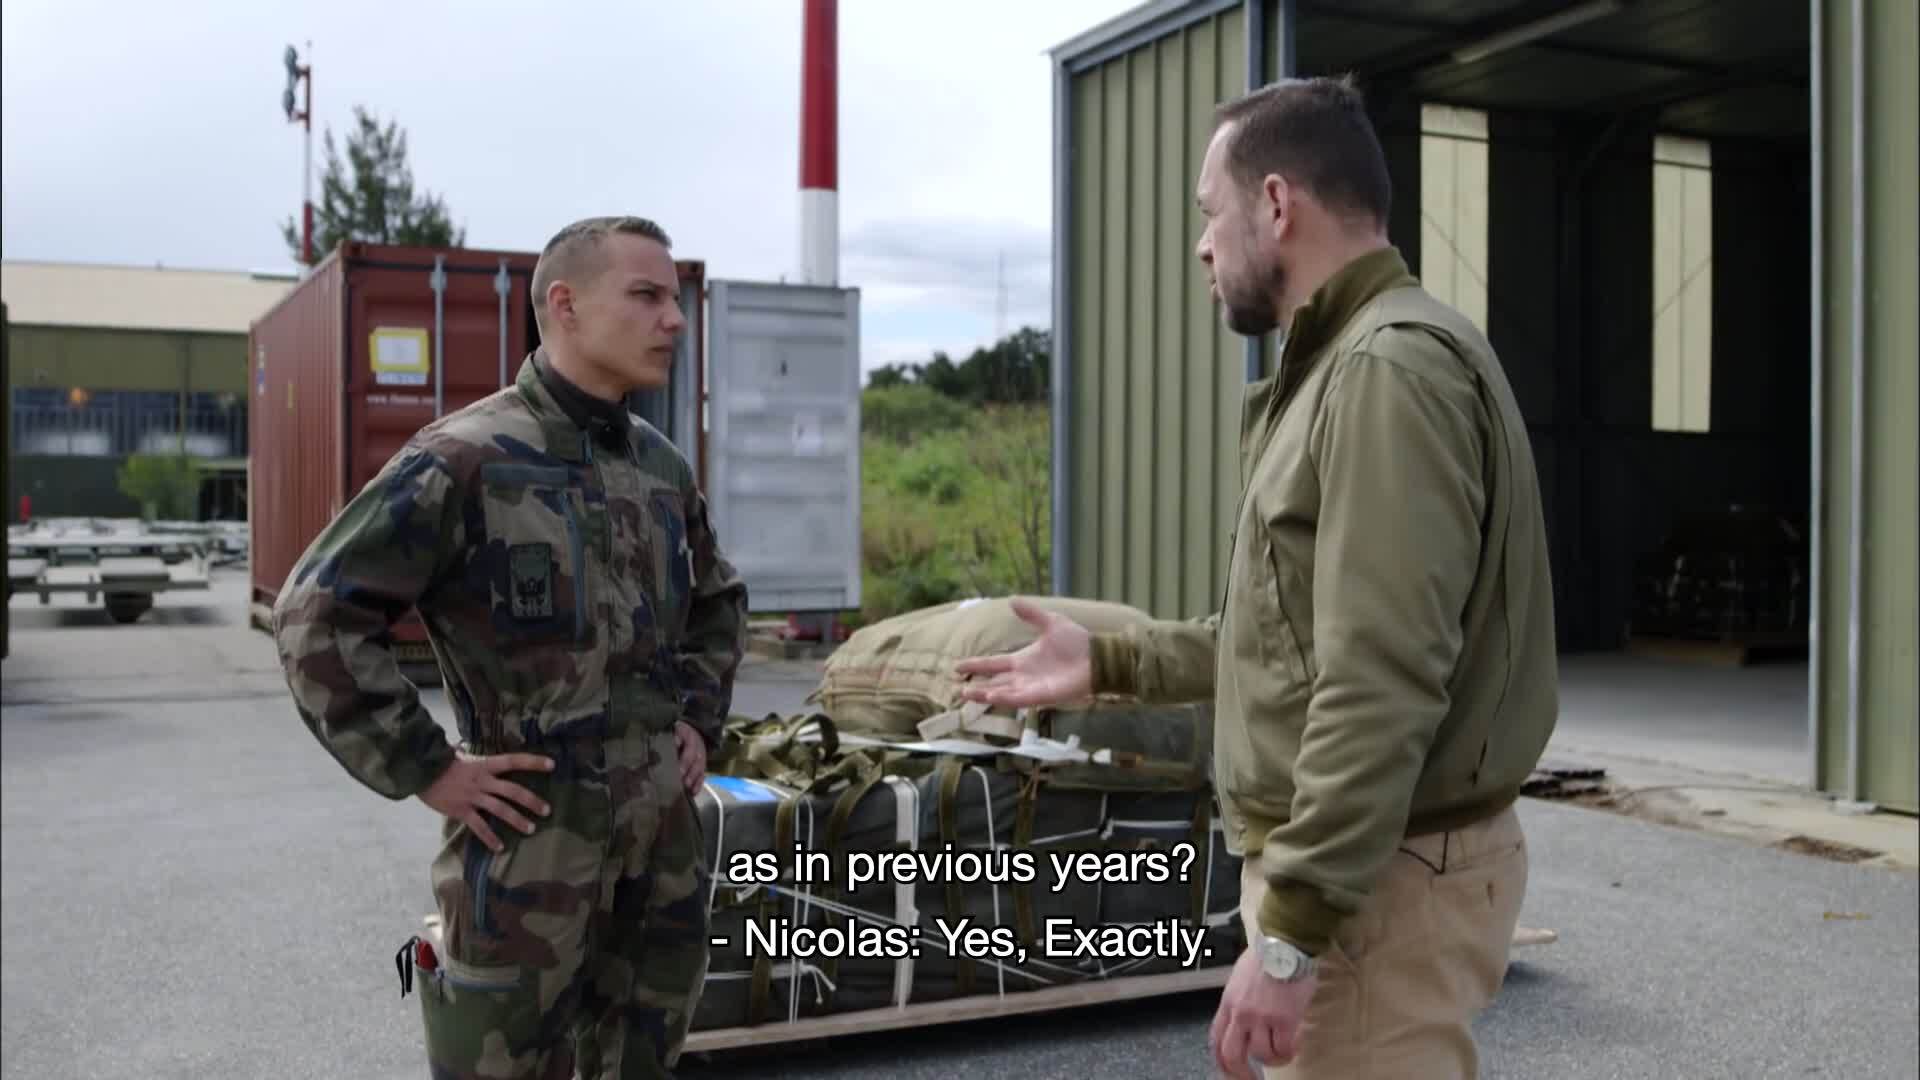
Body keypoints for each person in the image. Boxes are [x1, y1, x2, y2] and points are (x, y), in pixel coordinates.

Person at [956, 76, 1557, 1079]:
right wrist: (1110, 661)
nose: (1203, 245)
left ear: (1276, 204)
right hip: (1374, 874)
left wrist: (1292, 933)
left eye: (1210, 212)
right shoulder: (1355, 364)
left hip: (1375, 892)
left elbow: (1379, 680)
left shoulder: (1383, 372)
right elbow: (1294, 638)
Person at [272, 215, 748, 1079]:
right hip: (532, 838)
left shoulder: (660, 468)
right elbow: (317, 614)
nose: (674, 320)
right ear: (564, 305)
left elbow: (718, 600)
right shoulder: (466, 459)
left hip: (660, 843)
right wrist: (427, 766)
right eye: (646, 296)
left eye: (674, 299)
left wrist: (697, 721)